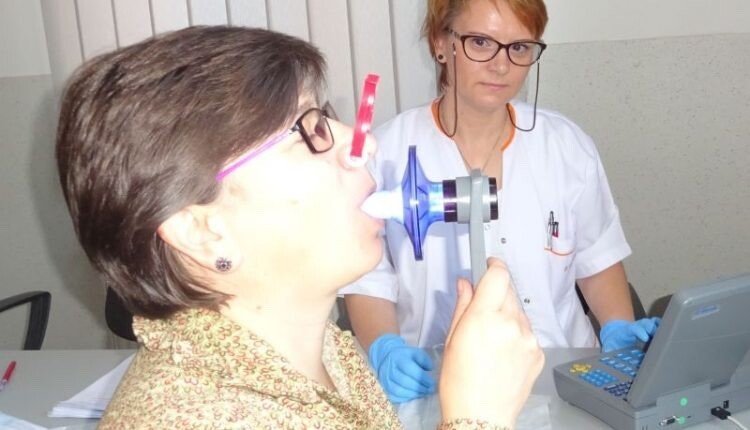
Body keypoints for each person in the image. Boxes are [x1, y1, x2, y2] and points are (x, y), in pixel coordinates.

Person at [55, 26, 543, 429]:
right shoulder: (195, 418)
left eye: (325, 117)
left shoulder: (321, 351)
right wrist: (476, 419)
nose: (363, 144)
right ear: (203, 232)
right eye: (308, 131)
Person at [341, 0, 659, 403]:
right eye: (480, 42)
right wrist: (385, 348)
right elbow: (369, 280)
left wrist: (618, 330)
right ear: (440, 43)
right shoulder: (386, 153)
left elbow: (597, 256)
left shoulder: (565, 145)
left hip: (564, 380)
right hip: (437, 386)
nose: (501, 65)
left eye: (520, 47)